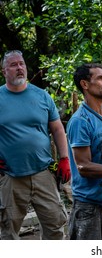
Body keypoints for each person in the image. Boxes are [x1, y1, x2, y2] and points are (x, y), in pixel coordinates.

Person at [0, 50, 70, 240]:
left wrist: (64, 159)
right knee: (8, 233)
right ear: (4, 71)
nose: (19, 68)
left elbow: (57, 129)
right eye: (13, 65)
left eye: (21, 64)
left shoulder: (42, 96)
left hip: (43, 173)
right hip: (11, 176)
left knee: (55, 225)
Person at [66, 63, 102, 240]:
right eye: (100, 78)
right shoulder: (80, 121)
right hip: (89, 206)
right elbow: (83, 166)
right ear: (85, 84)